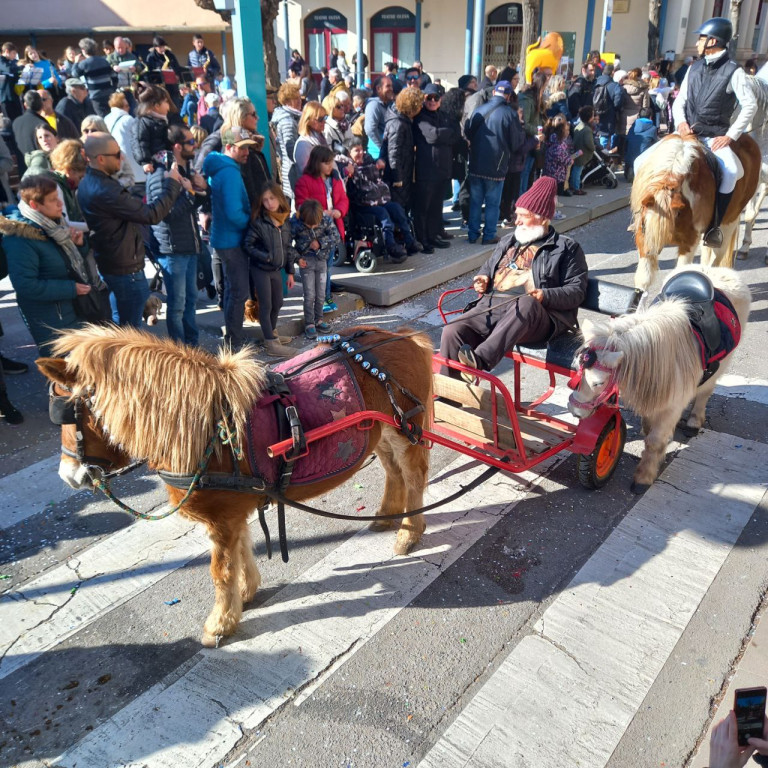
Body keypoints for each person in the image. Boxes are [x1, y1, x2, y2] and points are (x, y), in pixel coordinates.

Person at [439, 175, 588, 379]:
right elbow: (488, 267)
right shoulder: (510, 241)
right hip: (492, 306)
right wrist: (483, 278)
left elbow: (576, 291)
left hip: (537, 316)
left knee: (526, 304)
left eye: (523, 216)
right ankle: (450, 396)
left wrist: (544, 295)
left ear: (542, 218)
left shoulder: (566, 247)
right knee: (452, 330)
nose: (516, 221)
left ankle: (479, 361)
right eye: (516, 214)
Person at [78, 132, 182, 326]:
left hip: (115, 266)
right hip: (125, 270)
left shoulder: (90, 182)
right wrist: (172, 184)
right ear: (100, 159)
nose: (122, 157)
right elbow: (151, 215)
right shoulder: (105, 190)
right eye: (117, 154)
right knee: (130, 332)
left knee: (121, 325)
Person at [671, 16, 756, 246]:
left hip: (713, 137)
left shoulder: (734, 72)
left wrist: (730, 136)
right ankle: (644, 215)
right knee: (642, 161)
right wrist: (680, 123)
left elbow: (750, 105)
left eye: (701, 38)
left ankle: (714, 227)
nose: (697, 43)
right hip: (685, 134)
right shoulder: (694, 67)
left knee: (731, 172)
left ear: (713, 41)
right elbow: (680, 101)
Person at [2, 174, 104, 355]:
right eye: (53, 200)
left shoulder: (51, 226)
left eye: (58, 198)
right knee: (62, 371)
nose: (60, 204)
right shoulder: (20, 238)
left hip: (73, 309)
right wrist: (71, 288)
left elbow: (61, 263)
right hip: (52, 318)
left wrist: (79, 246)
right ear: (35, 205)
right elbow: (25, 285)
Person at [147, 124, 207, 346]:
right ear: (177, 146)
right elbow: (165, 214)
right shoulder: (160, 175)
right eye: (191, 142)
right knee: (178, 304)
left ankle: (193, 348)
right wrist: (191, 194)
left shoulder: (186, 171)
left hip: (189, 246)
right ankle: (179, 351)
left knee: (191, 300)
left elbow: (193, 206)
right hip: (172, 250)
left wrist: (201, 190)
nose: (195, 145)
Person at [203, 127, 254, 349]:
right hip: (232, 241)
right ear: (229, 147)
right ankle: (234, 341)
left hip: (223, 239)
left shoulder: (220, 169)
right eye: (242, 148)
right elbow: (234, 213)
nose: (247, 153)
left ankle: (234, 336)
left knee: (233, 290)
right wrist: (251, 223)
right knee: (238, 291)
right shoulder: (230, 173)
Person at [465, 80, 524, 245]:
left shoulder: (479, 109)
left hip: (476, 163)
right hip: (497, 165)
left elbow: (468, 132)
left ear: (493, 93)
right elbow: (516, 143)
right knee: (492, 203)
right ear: (508, 95)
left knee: (476, 201)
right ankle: (489, 235)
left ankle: (472, 234)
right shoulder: (510, 114)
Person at [242, 182, 297, 358]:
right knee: (266, 305)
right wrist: (266, 256)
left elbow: (288, 248)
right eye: (265, 200)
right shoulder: (259, 222)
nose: (269, 203)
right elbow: (248, 245)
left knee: (278, 302)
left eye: (272, 198)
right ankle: (271, 344)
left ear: (279, 198)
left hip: (276, 270)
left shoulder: (285, 221)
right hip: (261, 269)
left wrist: (290, 272)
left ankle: (272, 334)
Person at [295, 145, 349, 310]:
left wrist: (339, 210)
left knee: (328, 266)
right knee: (319, 267)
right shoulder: (305, 181)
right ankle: (321, 301)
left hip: (332, 230)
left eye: (331, 162)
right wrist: (320, 212)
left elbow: (343, 199)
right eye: (327, 163)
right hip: (315, 233)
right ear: (317, 163)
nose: (330, 166)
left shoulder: (335, 179)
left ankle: (325, 298)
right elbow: (301, 204)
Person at [344, 137, 417, 261]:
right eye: (357, 150)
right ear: (348, 153)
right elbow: (351, 192)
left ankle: (409, 241)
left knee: (397, 209)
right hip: (363, 205)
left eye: (362, 150)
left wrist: (380, 166)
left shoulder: (369, 161)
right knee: (383, 215)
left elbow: (377, 181)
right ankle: (390, 246)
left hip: (379, 200)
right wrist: (348, 175)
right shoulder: (347, 168)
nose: (361, 153)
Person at [413, 84, 458, 252]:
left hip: (443, 169)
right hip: (426, 170)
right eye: (429, 98)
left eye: (435, 98)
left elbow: (456, 135)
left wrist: (443, 133)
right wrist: (445, 133)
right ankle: (422, 239)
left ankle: (433, 236)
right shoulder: (420, 117)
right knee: (423, 207)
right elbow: (433, 136)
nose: (432, 101)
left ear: (440, 100)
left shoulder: (444, 115)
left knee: (436, 206)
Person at [291, 199, 339, 339]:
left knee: (321, 294)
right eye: (308, 224)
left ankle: (319, 320)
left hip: (321, 261)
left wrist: (320, 243)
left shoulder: (325, 219)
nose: (312, 226)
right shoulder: (296, 223)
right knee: (309, 294)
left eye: (315, 224)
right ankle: (309, 324)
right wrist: (297, 259)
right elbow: (287, 244)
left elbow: (336, 237)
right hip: (306, 262)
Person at [382, 87, 423, 213]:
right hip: (399, 175)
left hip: (404, 170)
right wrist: (398, 179)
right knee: (399, 207)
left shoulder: (402, 119)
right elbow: (393, 153)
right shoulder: (398, 124)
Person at [104, 91, 145, 191]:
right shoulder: (128, 120)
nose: (129, 108)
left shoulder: (106, 119)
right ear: (121, 106)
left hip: (117, 163)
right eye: (126, 106)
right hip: (134, 168)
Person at [518, 70, 549, 193]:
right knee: (524, 175)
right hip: (527, 141)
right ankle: (520, 203)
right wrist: (538, 133)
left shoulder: (535, 99)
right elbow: (524, 123)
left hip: (533, 141)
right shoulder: (527, 100)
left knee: (528, 174)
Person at [70, 38, 117, 117]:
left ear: (84, 51)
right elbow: (114, 76)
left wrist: (76, 62)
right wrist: (113, 88)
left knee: (101, 117)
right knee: (111, 115)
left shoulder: (84, 64)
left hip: (95, 95)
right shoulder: (104, 61)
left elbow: (74, 74)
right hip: (108, 93)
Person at [271, 82, 302, 201]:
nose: (299, 101)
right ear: (287, 101)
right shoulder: (287, 121)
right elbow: (291, 150)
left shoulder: (292, 117)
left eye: (299, 97)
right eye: (295, 98)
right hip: (293, 171)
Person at [134, 85, 173, 174]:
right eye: (166, 102)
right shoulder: (143, 122)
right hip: (155, 156)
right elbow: (139, 142)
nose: (168, 106)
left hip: (164, 152)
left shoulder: (162, 120)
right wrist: (145, 161)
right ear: (156, 106)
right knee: (172, 162)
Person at [592, 63, 624, 150]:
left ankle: (599, 153)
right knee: (607, 136)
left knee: (598, 135)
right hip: (609, 115)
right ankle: (605, 155)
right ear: (612, 72)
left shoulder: (595, 82)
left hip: (594, 115)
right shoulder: (614, 85)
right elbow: (618, 102)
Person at [293, 101, 329, 176]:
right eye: (320, 119)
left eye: (325, 117)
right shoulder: (303, 145)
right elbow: (307, 174)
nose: (324, 121)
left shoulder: (321, 138)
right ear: (308, 121)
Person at [145, 37, 183, 107]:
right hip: (158, 89)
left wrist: (176, 75)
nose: (163, 49)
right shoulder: (150, 57)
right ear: (155, 47)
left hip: (172, 88)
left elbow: (177, 68)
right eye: (160, 47)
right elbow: (149, 74)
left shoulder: (170, 55)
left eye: (163, 46)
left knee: (175, 107)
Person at [364, 75, 395, 160]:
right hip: (377, 156)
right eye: (388, 86)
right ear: (378, 89)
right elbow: (370, 129)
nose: (391, 89)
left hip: (387, 154)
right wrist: (383, 148)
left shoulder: (388, 105)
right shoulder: (374, 105)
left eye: (391, 86)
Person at [542, 113, 573, 197]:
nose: (568, 132)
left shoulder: (551, 140)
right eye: (567, 130)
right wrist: (569, 160)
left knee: (552, 193)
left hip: (551, 172)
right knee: (555, 194)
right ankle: (554, 208)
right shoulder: (559, 144)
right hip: (557, 175)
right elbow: (560, 156)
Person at [624, 106, 657, 182]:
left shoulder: (633, 127)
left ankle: (631, 170)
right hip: (644, 160)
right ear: (651, 117)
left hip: (630, 158)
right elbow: (655, 144)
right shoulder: (653, 128)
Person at [13, 91, 49, 160]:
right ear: (42, 105)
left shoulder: (16, 122)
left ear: (25, 105)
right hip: (40, 165)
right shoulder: (42, 123)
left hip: (23, 167)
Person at [570, 105, 597, 194]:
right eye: (593, 115)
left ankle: (573, 185)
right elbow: (589, 143)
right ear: (589, 117)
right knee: (578, 171)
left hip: (576, 152)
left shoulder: (578, 126)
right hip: (582, 153)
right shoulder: (587, 130)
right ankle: (576, 188)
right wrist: (594, 148)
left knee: (575, 169)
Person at [0, 42, 22, 122]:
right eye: (13, 53)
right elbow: (8, 69)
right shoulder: (1, 61)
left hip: (14, 95)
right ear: (6, 51)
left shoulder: (13, 62)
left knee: (19, 118)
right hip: (5, 97)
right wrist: (19, 67)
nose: (14, 56)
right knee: (10, 120)